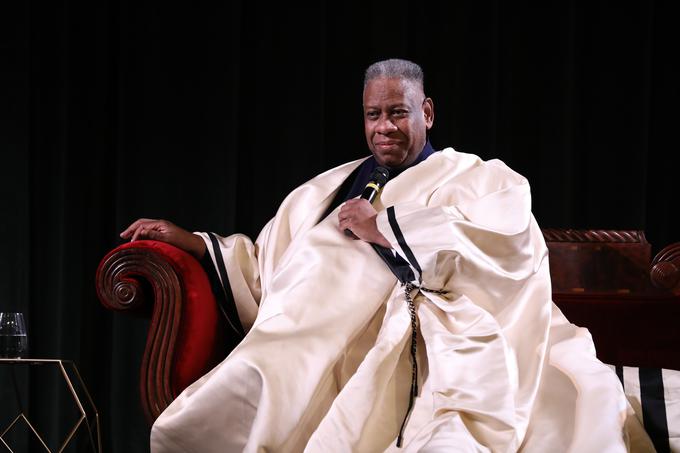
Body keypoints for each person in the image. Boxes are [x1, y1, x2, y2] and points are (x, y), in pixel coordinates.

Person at [121, 59, 652, 452]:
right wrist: (188, 239)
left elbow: (504, 247)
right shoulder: (329, 186)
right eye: (373, 115)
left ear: (426, 111)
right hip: (311, 332)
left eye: (397, 113)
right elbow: (265, 263)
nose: (384, 127)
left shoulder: (480, 177)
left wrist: (382, 229)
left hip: (423, 334)